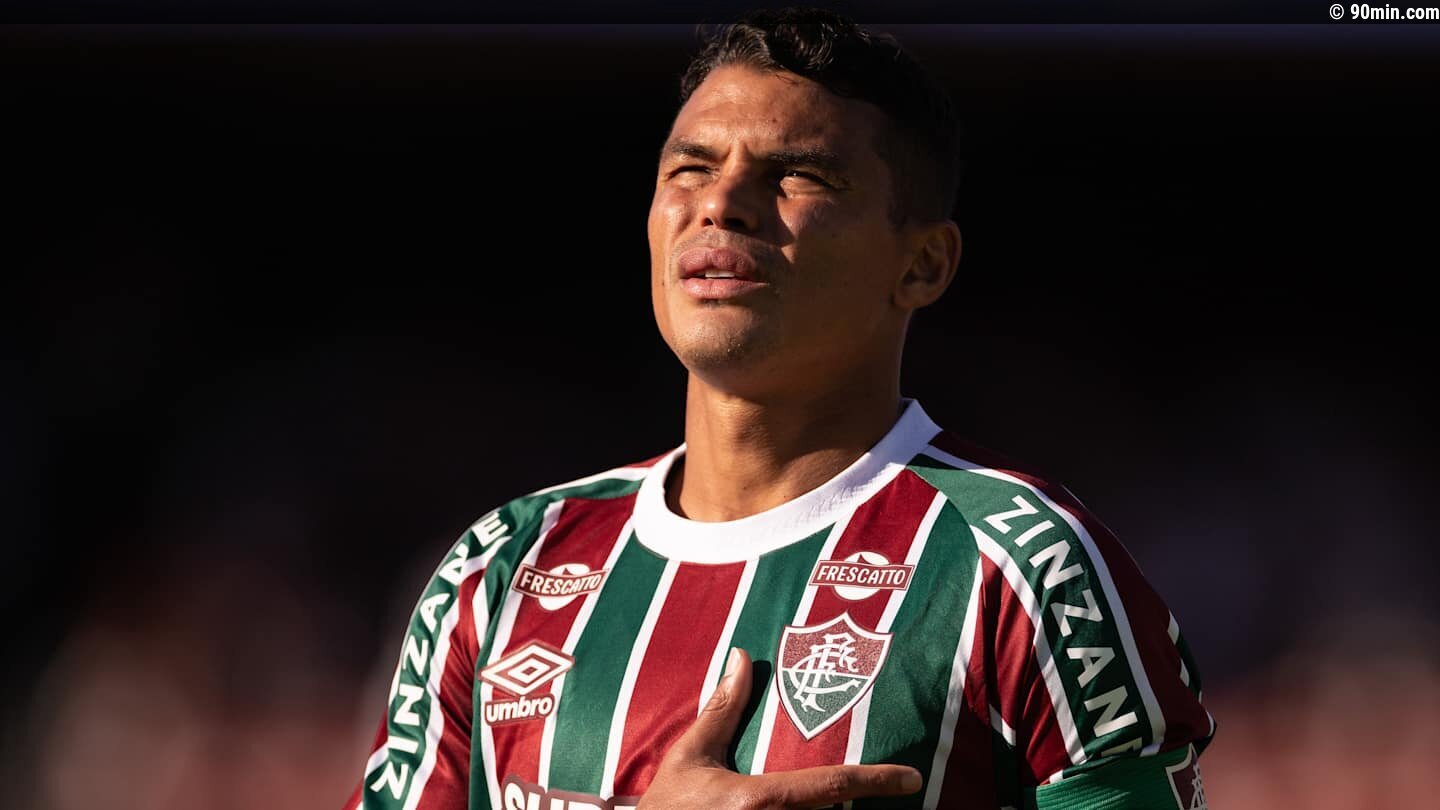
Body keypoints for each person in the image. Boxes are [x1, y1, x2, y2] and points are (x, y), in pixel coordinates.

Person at [345, 10, 1215, 810]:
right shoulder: (502, 566)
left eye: (797, 175)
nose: (720, 203)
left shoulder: (1030, 570)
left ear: (922, 265)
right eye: (690, 167)